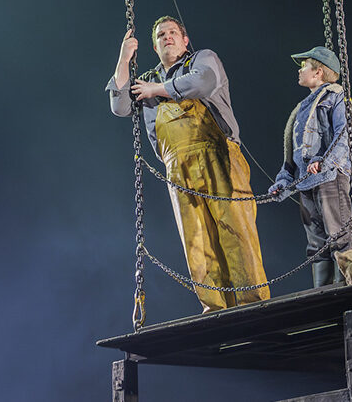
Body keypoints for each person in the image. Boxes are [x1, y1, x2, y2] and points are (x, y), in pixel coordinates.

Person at [107, 16, 269, 312]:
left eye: (171, 33)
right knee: (196, 240)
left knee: (235, 229)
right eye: (159, 35)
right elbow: (120, 107)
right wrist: (123, 58)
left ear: (184, 40)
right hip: (177, 166)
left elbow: (202, 83)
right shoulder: (146, 78)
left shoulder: (202, 59)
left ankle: (253, 304)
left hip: (219, 154)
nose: (166, 37)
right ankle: (215, 307)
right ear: (154, 46)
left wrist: (156, 91)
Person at [267, 46, 352, 287]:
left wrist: (325, 161)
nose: (300, 71)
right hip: (306, 183)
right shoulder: (301, 109)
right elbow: (292, 154)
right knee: (317, 245)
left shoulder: (337, 97)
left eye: (303, 66)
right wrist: (283, 183)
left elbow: (345, 135)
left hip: (329, 178)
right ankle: (324, 295)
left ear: (318, 72)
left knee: (339, 236)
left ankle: (346, 291)